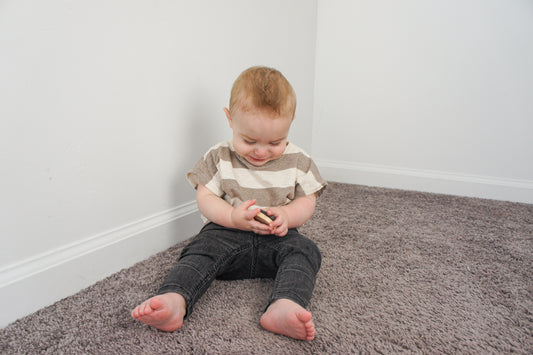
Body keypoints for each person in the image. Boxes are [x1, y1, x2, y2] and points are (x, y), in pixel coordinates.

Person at [131, 66, 327, 341]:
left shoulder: (299, 160)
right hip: (224, 233)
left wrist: (287, 214)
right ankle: (174, 300)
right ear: (230, 119)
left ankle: (285, 304)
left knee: (305, 251)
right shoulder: (218, 156)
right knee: (198, 251)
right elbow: (206, 197)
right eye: (248, 140)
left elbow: (307, 200)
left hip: (277, 238)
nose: (261, 151)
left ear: (291, 122)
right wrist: (233, 217)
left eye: (275, 142)